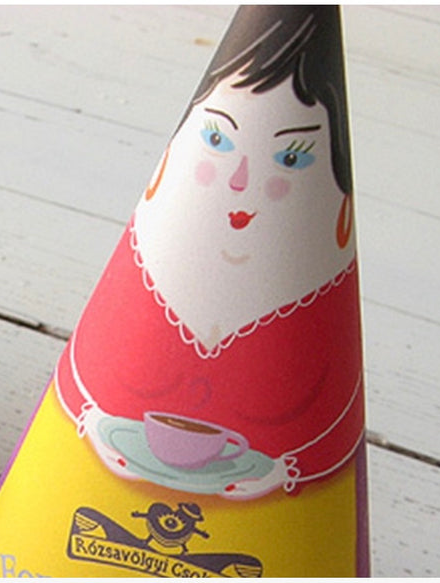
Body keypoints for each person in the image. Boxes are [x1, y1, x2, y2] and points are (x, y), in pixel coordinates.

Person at [54, 6, 364, 500]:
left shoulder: (308, 314)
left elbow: (329, 425)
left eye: (290, 158)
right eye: (217, 140)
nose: (242, 183)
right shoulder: (149, 275)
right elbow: (84, 379)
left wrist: (282, 471)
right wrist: (94, 420)